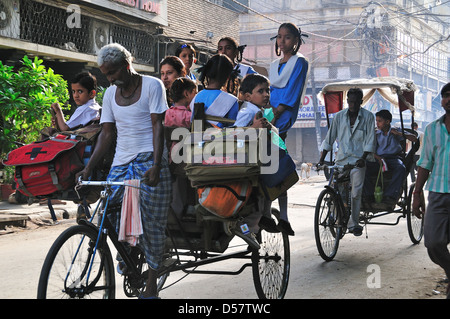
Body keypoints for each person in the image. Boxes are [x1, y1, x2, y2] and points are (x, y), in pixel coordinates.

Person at [76, 43, 171, 299]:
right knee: (107, 211)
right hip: (121, 163)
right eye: (106, 75)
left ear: (126, 66)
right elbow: (106, 134)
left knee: (152, 223)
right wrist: (89, 168)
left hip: (150, 159)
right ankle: (129, 253)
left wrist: (156, 165)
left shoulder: (152, 86)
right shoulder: (109, 95)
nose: (110, 79)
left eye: (113, 73)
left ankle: (152, 282)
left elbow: (157, 125)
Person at [268, 22, 310, 235]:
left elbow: (291, 93)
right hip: (267, 118)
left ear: (296, 41)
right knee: (266, 166)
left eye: (287, 37)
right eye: (279, 36)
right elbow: (269, 92)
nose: (282, 41)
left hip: (280, 121)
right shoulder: (274, 65)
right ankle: (270, 215)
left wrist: (274, 115)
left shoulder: (299, 63)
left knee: (278, 168)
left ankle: (282, 216)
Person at [319, 88, 376, 236]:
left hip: (358, 161)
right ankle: (338, 217)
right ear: (347, 101)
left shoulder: (368, 117)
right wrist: (321, 160)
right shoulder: (339, 117)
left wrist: (363, 159)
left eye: (356, 102)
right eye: (350, 101)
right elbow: (329, 138)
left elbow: (370, 140)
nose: (352, 104)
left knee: (356, 192)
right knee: (333, 190)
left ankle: (353, 223)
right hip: (341, 160)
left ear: (361, 102)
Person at [412, 82, 450, 299]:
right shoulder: (432, 129)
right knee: (433, 244)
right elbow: (425, 164)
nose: (448, 99)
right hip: (437, 193)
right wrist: (416, 195)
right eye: (445, 96)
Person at [364, 110, 417, 210]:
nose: (377, 124)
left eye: (380, 121)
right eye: (377, 121)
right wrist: (378, 158)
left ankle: (390, 196)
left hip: (394, 158)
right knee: (363, 167)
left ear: (387, 122)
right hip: (379, 159)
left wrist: (399, 133)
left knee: (401, 168)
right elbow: (370, 149)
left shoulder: (396, 130)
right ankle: (369, 195)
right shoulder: (376, 133)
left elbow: (414, 138)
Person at [164, 77, 198, 218]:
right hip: (188, 158)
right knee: (190, 184)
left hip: (171, 158)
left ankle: (175, 212)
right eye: (194, 93)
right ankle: (190, 207)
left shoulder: (167, 113)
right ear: (186, 94)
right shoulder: (190, 116)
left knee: (177, 188)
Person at [190, 54, 239, 128]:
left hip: (196, 138)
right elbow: (233, 126)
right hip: (220, 138)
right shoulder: (231, 100)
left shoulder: (197, 96)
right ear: (228, 77)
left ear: (206, 72)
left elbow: (192, 121)